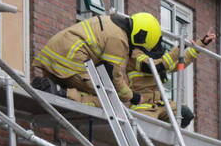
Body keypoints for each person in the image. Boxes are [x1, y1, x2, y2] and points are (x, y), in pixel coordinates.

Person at [31, 12, 162, 104]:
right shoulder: (119, 39)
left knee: (95, 89)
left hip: (52, 56)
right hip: (70, 62)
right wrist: (131, 96)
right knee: (108, 99)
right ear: (141, 36)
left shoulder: (109, 22)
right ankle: (60, 92)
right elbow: (114, 77)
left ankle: (50, 86)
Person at [127, 30, 216, 128]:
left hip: (159, 103)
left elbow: (180, 63)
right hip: (142, 105)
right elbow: (156, 66)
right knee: (147, 127)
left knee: (186, 115)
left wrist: (201, 44)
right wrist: (180, 48)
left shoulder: (157, 56)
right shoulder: (135, 56)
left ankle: (171, 138)